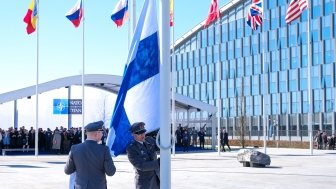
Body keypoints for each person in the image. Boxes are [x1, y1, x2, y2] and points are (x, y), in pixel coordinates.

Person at [64, 121, 116, 189]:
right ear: (97, 133)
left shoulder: (74, 148)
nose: (102, 135)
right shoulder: (104, 150)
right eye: (101, 132)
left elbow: (67, 171)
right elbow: (111, 172)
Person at [126, 122, 160, 189]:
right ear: (133, 134)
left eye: (143, 132)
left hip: (156, 180)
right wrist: (158, 163)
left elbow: (161, 146)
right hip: (144, 183)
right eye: (139, 133)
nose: (142, 135)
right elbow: (141, 165)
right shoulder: (131, 148)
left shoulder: (149, 140)